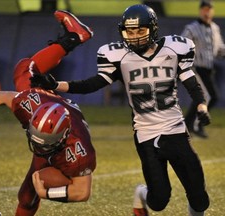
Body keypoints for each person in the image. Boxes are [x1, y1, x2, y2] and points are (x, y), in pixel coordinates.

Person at [34, 4, 211, 216]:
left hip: (175, 130)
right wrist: (57, 85)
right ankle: (141, 194)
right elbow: (93, 83)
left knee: (200, 198)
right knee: (159, 201)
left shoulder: (174, 50)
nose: (135, 37)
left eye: (140, 31)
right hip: (146, 135)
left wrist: (201, 105)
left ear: (153, 29)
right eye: (130, 31)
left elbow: (191, 83)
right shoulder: (119, 56)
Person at [0, 10, 96, 216]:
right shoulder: (31, 105)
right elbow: (3, 97)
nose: (37, 145)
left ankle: (74, 38)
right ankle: (74, 37)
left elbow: (82, 191)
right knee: (24, 69)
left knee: (34, 185)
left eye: (45, 142)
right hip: (50, 105)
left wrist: (49, 193)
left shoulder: (79, 151)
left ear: (62, 138)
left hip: (62, 154)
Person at [181, 0, 225, 138]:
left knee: (210, 97)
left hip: (208, 69)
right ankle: (196, 125)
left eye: (209, 9)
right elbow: (182, 45)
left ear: (212, 11)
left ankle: (188, 125)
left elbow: (219, 49)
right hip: (196, 68)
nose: (207, 12)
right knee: (205, 97)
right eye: (205, 9)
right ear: (200, 11)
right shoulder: (191, 28)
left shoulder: (215, 28)